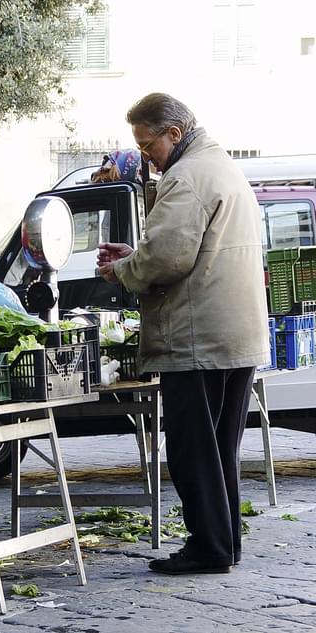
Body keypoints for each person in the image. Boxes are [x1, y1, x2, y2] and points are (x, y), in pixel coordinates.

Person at [97, 93, 269, 575]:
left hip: (198, 336)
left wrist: (124, 268)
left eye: (147, 144)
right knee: (219, 449)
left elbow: (169, 259)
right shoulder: (221, 166)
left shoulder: (186, 176)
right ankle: (224, 543)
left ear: (174, 134)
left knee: (195, 449)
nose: (145, 155)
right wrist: (138, 254)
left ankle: (208, 548)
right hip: (233, 333)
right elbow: (190, 247)